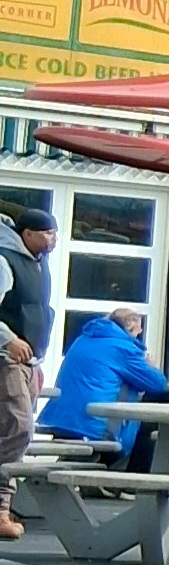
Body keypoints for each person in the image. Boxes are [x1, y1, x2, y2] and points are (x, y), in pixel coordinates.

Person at [39, 307, 169, 466]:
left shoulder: (83, 339)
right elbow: (158, 384)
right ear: (131, 325)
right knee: (150, 424)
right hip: (94, 430)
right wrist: (150, 366)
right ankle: (131, 479)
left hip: (61, 424)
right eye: (139, 329)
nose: (139, 334)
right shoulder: (123, 348)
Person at [0, 206, 58, 542]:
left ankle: (4, 506)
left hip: (28, 362)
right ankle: (0, 508)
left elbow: (38, 312)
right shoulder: (5, 260)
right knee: (18, 429)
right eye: (47, 233)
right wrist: (8, 339)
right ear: (28, 234)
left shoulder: (39, 263)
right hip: (6, 358)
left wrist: (38, 359)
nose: (53, 239)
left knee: (13, 432)